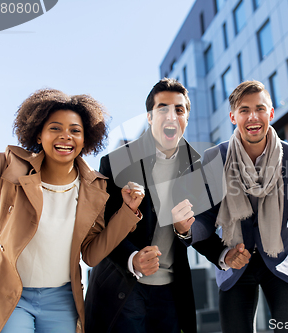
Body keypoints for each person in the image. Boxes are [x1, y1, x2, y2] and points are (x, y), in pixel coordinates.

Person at [173, 80, 288, 333]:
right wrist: (186, 229)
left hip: (281, 261)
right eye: (244, 110)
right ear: (233, 116)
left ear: (271, 113)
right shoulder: (214, 158)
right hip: (234, 264)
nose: (253, 117)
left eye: (260, 109)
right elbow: (207, 218)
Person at [0, 89, 144, 333]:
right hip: (10, 295)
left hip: (62, 299)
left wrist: (127, 212)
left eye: (75, 130)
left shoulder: (95, 188)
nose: (65, 136)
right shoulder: (9, 166)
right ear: (38, 135)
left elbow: (90, 253)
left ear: (85, 139)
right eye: (55, 128)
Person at [85, 78, 203, 333]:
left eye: (179, 109)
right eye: (162, 109)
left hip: (169, 293)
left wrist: (186, 231)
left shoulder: (196, 166)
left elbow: (201, 227)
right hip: (124, 287)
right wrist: (132, 259)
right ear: (150, 117)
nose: (171, 116)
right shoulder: (116, 162)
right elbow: (103, 227)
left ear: (187, 117)